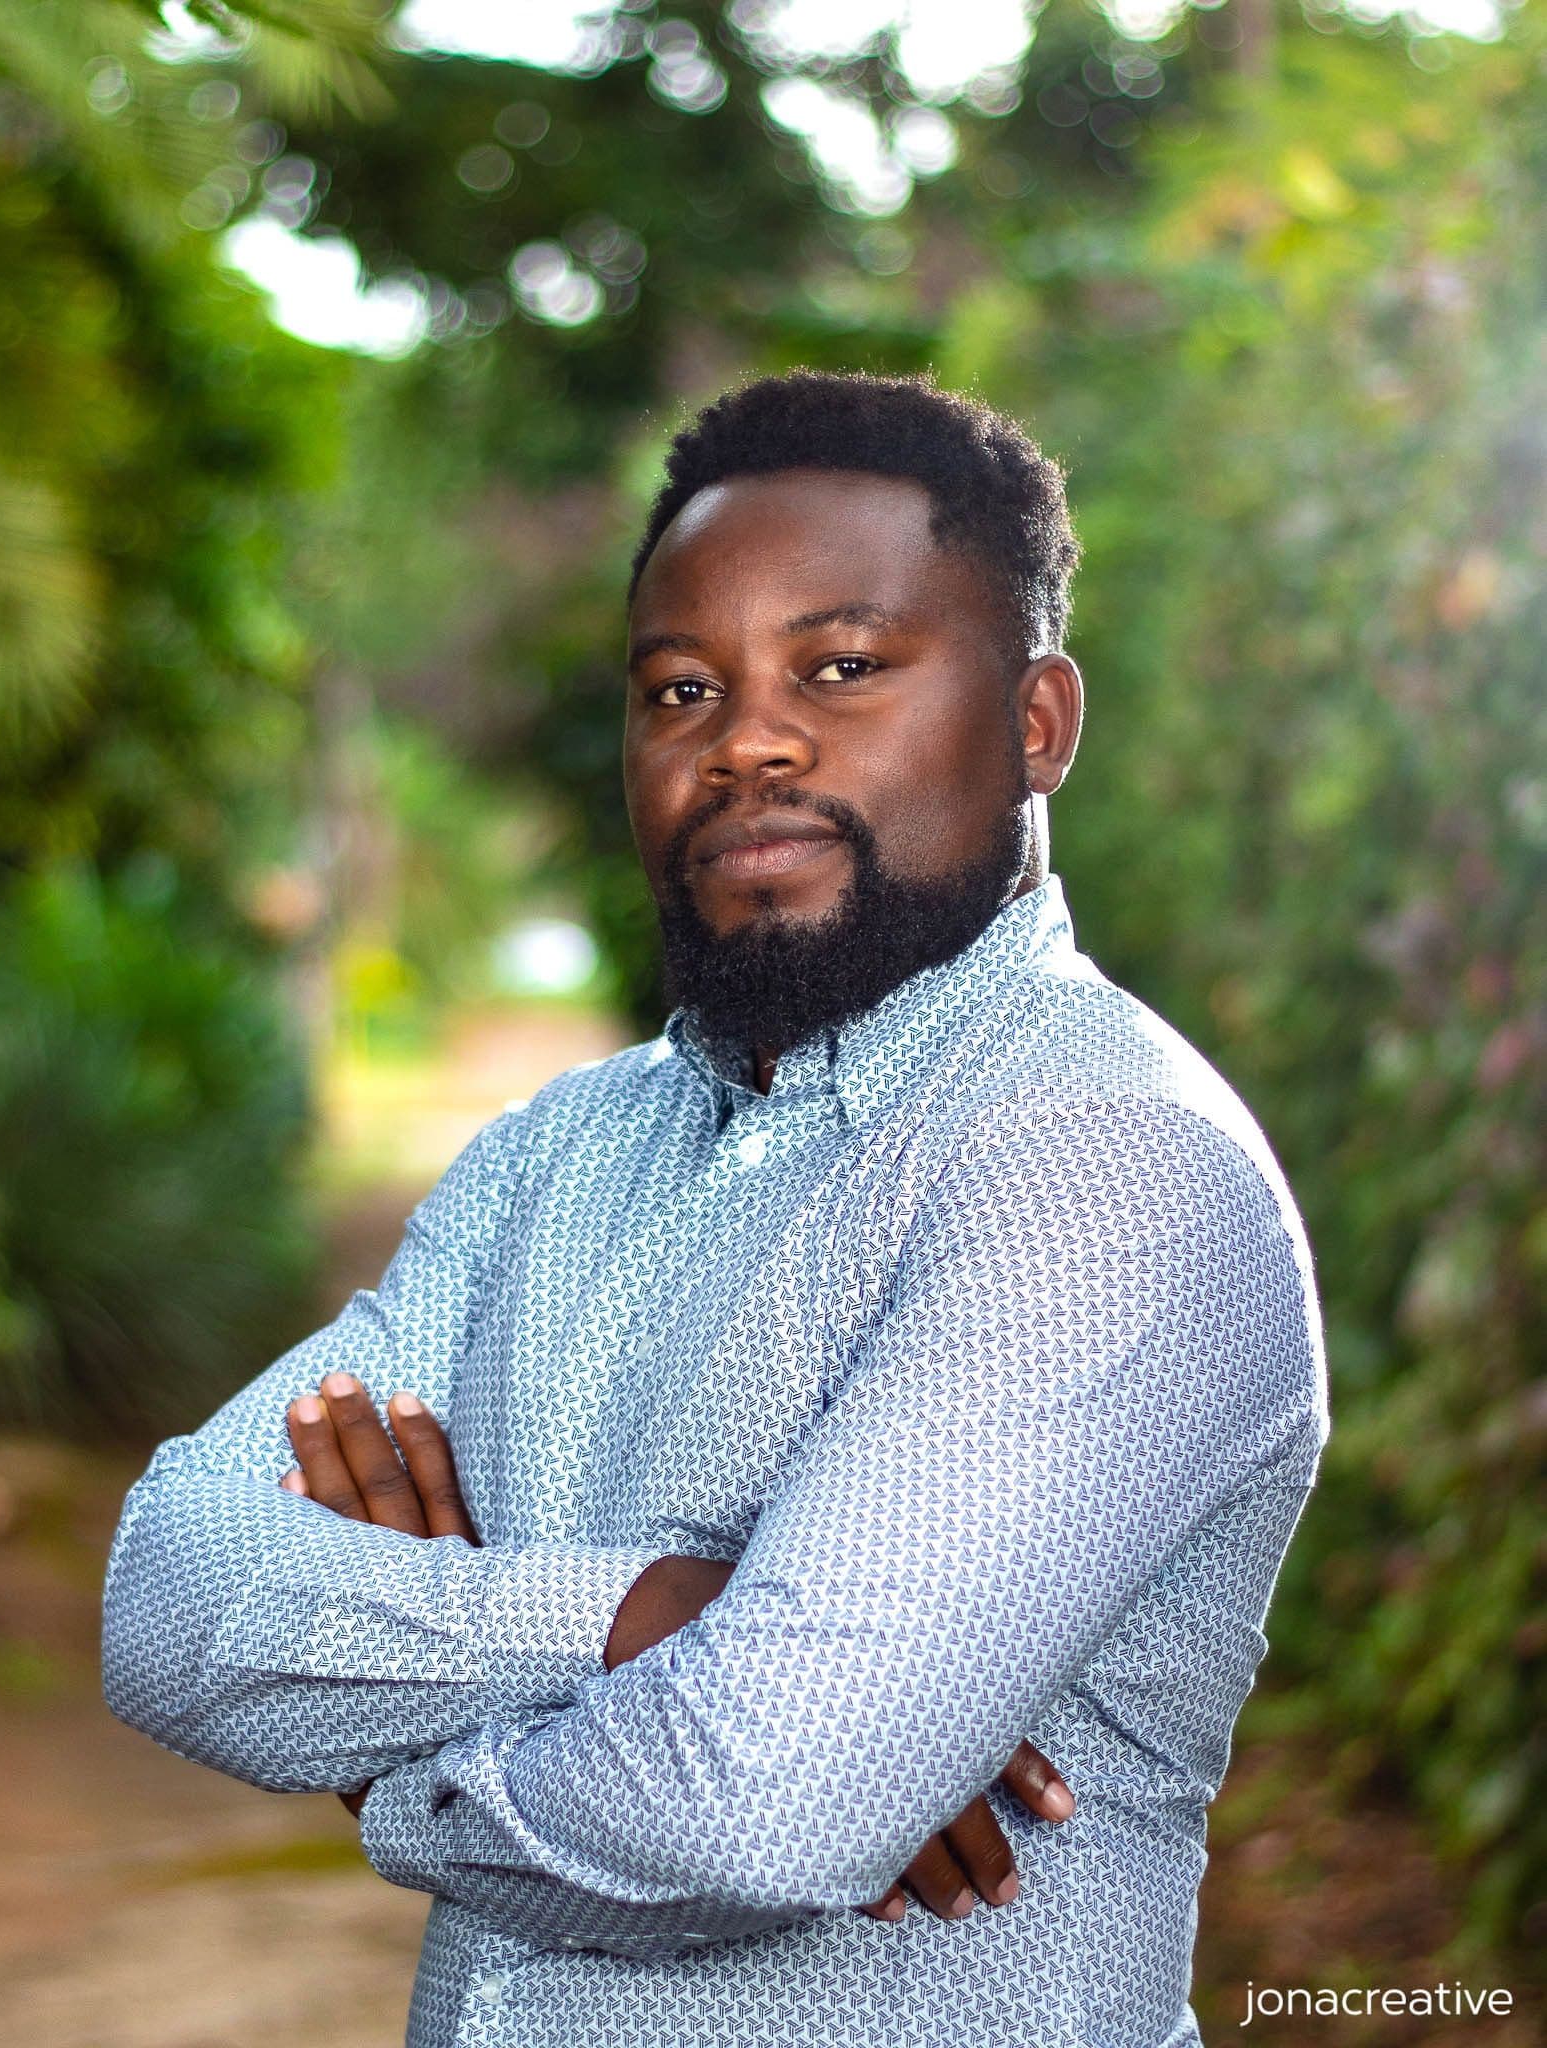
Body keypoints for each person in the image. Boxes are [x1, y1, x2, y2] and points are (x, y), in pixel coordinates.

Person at [103, 369, 1328, 2048]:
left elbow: (757, 1802)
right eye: (681, 687)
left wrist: (391, 1767)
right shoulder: (555, 1155)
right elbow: (171, 1592)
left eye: (843, 667)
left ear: (1036, 721)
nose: (745, 738)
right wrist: (634, 1615)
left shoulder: (1103, 1162)